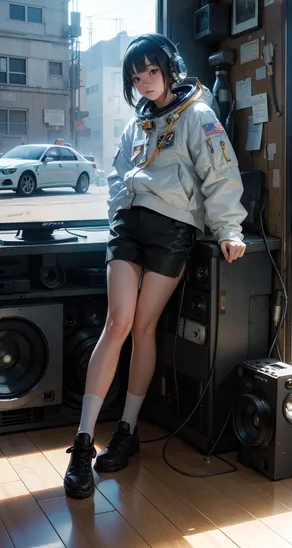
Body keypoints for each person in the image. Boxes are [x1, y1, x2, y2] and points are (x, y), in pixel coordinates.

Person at [64, 33, 247, 499]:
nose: (143, 82)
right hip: (128, 227)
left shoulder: (199, 116)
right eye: (135, 76)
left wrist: (229, 231)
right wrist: (116, 216)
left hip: (172, 231)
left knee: (143, 329)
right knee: (117, 323)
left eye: (150, 71)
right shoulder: (135, 124)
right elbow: (116, 175)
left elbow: (221, 173)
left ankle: (127, 431)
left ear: (170, 68)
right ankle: (83, 442)